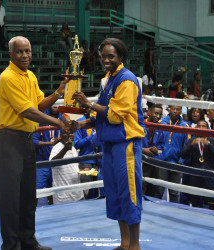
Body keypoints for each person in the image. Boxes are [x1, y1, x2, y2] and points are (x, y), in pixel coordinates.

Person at [0, 36, 73, 250]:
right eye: (20, 51)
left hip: (27, 142)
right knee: (10, 200)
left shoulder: (30, 76)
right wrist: (58, 123)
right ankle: (11, 246)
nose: (25, 55)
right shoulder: (8, 77)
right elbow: (27, 111)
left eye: (28, 51)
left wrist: (58, 92)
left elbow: (38, 104)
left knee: (28, 197)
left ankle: (28, 241)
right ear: (11, 54)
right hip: (8, 142)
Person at [73, 38, 145, 250]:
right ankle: (124, 243)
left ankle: (135, 245)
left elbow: (114, 115)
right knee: (114, 193)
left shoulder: (127, 80)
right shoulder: (108, 79)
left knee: (129, 192)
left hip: (126, 143)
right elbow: (102, 113)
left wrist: (88, 103)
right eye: (103, 56)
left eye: (110, 56)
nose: (106, 60)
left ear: (120, 57)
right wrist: (82, 123)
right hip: (110, 143)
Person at [153, 105, 190, 203]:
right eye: (173, 109)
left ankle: (175, 213)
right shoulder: (161, 123)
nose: (174, 111)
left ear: (181, 111)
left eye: (177, 109)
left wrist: (181, 162)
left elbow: (187, 146)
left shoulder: (185, 126)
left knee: (174, 192)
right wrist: (159, 158)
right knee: (158, 191)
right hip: (162, 162)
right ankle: (154, 213)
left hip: (176, 164)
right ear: (169, 110)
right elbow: (156, 142)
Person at [181, 120, 214, 210]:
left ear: (208, 128)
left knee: (212, 202)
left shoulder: (213, 140)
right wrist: (191, 145)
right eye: (199, 126)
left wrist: (208, 145)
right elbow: (182, 154)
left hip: (210, 174)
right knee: (195, 201)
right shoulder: (191, 140)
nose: (201, 128)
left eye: (204, 126)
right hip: (195, 174)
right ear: (196, 128)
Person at [33, 107, 60, 206]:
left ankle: (55, 212)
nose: (55, 107)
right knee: (39, 191)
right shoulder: (41, 121)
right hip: (42, 162)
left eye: (58, 105)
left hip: (57, 163)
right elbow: (33, 141)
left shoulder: (63, 120)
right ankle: (38, 214)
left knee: (55, 190)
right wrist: (49, 143)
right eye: (53, 105)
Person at [50, 131, 84, 204]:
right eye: (66, 133)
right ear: (61, 135)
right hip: (63, 197)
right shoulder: (57, 148)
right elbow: (52, 163)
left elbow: (72, 167)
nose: (69, 135)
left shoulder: (74, 149)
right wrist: (65, 149)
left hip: (77, 195)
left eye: (71, 133)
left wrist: (82, 171)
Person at [74, 112, 98, 199]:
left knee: (98, 190)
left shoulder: (99, 120)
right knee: (86, 192)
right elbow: (77, 144)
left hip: (99, 160)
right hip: (86, 161)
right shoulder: (80, 122)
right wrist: (91, 136)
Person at [142, 104, 163, 198]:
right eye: (156, 113)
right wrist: (143, 150)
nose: (158, 116)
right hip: (140, 160)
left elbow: (162, 144)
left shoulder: (160, 127)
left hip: (153, 161)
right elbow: (131, 143)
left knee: (153, 188)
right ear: (149, 113)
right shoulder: (140, 124)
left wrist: (157, 150)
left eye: (160, 114)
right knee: (141, 187)